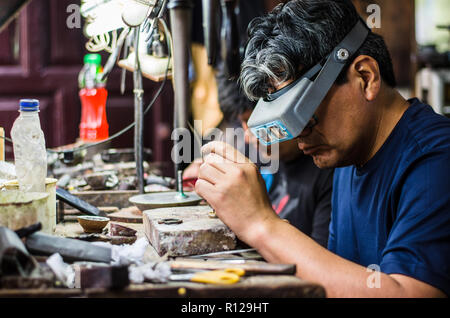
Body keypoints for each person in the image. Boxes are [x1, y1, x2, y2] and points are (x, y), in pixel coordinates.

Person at [194, 0, 450, 297]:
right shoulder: (347, 156)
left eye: (304, 115)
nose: (297, 137)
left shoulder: (435, 159)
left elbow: (410, 294)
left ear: (365, 77)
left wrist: (262, 224)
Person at [185, 66, 334, 247]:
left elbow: (318, 266)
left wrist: (261, 222)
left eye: (255, 123)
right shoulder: (249, 152)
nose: (249, 136)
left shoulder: (327, 173)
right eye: (243, 124)